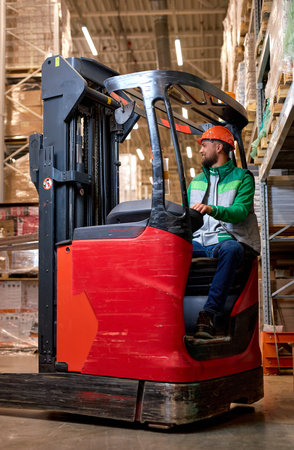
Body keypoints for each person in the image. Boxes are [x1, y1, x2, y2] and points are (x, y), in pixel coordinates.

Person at [187, 125, 260, 340]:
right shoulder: (196, 182)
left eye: (204, 146)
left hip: (225, 239)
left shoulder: (243, 177)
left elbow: (239, 212)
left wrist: (212, 209)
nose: (201, 151)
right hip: (199, 242)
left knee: (232, 249)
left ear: (219, 147)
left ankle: (208, 314)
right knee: (169, 249)